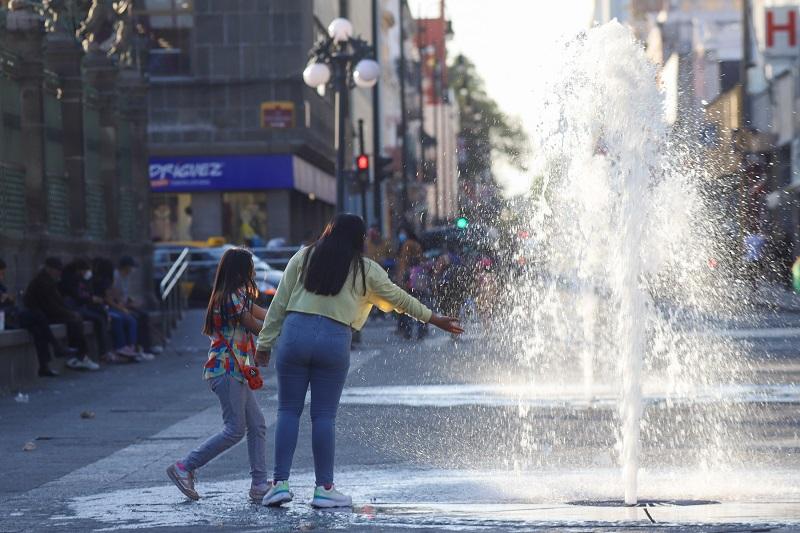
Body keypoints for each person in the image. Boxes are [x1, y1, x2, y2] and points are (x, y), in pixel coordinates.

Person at [255, 214, 463, 508]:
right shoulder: (366, 270)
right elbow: (399, 299)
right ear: (359, 240)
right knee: (323, 416)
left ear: (328, 232)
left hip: (294, 334)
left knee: (288, 411)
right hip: (334, 338)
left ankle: (279, 485)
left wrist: (264, 343)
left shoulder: (304, 257)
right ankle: (324, 489)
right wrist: (434, 319)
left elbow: (279, 302)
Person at [167, 248, 268, 502]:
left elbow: (265, 315)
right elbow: (256, 326)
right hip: (225, 370)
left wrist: (286, 316)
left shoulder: (240, 295)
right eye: (251, 266)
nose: (254, 270)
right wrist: (282, 329)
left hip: (238, 370)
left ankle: (259, 485)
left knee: (257, 425)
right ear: (241, 270)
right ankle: (185, 466)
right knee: (235, 429)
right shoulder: (229, 298)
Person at [1, 258, 76, 377]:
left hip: (11, 315)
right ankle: (56, 347)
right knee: (38, 315)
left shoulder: (2, 287)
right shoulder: (41, 281)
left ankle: (44, 366)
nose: (2, 276)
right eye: (1, 273)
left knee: (38, 330)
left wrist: (8, 299)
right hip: (8, 319)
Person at [23, 257, 100, 371]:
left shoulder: (49, 281)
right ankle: (80, 356)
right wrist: (69, 313)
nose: (58, 272)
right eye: (56, 270)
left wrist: (69, 312)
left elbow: (57, 303)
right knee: (74, 320)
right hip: (43, 315)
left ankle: (79, 355)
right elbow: (51, 307)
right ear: (49, 269)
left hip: (47, 313)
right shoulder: (42, 282)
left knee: (76, 319)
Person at [60, 259, 117, 363]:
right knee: (98, 319)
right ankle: (102, 352)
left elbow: (86, 292)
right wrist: (90, 299)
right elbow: (77, 296)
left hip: (83, 306)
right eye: (86, 271)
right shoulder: (70, 280)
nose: (87, 273)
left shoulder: (82, 279)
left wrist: (92, 298)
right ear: (80, 270)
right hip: (76, 308)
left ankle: (105, 350)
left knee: (102, 314)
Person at [92, 258, 144, 361]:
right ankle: (121, 347)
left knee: (132, 319)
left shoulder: (108, 280)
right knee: (120, 319)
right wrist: (121, 308)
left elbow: (114, 296)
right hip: (106, 308)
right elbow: (108, 298)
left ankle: (132, 347)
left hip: (111, 306)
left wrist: (124, 303)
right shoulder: (105, 280)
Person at [114, 256, 162, 355]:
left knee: (144, 315)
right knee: (135, 318)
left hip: (125, 304)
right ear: (126, 267)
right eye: (131, 267)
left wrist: (131, 301)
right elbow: (115, 295)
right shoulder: (116, 276)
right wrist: (125, 304)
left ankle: (146, 346)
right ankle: (136, 346)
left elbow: (124, 294)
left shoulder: (126, 277)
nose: (132, 270)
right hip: (119, 306)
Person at [394, 226, 424, 339]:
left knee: (407, 307)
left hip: (409, 280)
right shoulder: (417, 244)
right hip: (417, 281)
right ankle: (421, 330)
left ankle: (407, 331)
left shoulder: (408, 245)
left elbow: (405, 262)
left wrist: (401, 279)